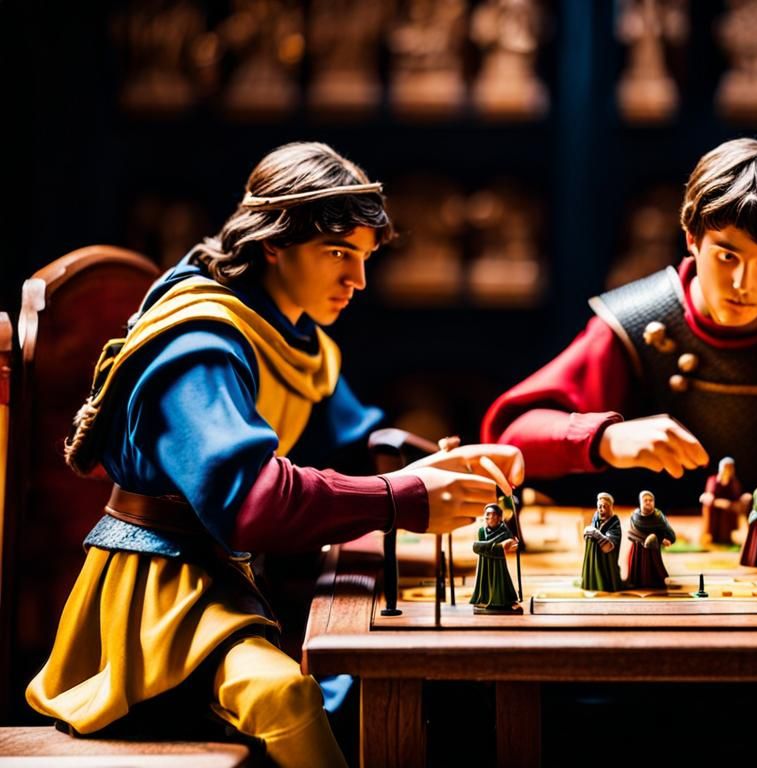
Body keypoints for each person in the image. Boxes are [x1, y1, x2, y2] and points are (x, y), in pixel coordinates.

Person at [26, 142, 524, 768]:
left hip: (243, 579)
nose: (358, 280)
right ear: (274, 243)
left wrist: (451, 464)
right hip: (163, 592)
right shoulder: (200, 345)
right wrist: (408, 498)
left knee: (372, 685)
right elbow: (251, 502)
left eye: (365, 258)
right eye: (339, 253)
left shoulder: (296, 336)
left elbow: (355, 446)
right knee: (286, 696)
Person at [481, 137, 757, 530]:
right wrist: (603, 439)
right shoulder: (636, 324)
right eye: (727, 256)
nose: (744, 284)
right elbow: (510, 439)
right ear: (692, 236)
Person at [471, 503, 521, 613]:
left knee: (501, 581)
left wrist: (513, 545)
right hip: (485, 563)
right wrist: (502, 546)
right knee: (485, 582)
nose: (490, 517)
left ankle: (502, 601)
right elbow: (480, 547)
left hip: (499, 564)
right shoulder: (481, 531)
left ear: (499, 517)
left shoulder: (504, 531)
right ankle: (485, 600)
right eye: (487, 514)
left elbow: (511, 542)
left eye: (493, 514)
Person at [625, 490, 676, 589]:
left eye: (650, 500)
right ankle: (635, 581)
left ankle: (655, 581)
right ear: (640, 502)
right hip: (638, 547)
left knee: (654, 567)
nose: (648, 502)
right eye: (645, 500)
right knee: (637, 565)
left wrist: (665, 539)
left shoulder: (658, 516)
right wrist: (645, 539)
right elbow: (631, 532)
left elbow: (668, 531)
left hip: (653, 549)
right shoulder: (635, 516)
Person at [699, 456, 749, 544]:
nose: (729, 469)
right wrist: (722, 503)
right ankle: (711, 536)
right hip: (715, 507)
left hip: (730, 507)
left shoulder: (734, 482)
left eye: (731, 467)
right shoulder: (713, 480)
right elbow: (709, 495)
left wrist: (742, 499)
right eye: (727, 467)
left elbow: (737, 496)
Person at [580, 492, 622, 592]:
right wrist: (587, 533)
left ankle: (603, 584)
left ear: (610, 507)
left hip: (606, 562)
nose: (601, 509)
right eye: (599, 506)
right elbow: (591, 532)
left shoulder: (614, 522)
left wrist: (597, 535)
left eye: (604, 506)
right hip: (593, 559)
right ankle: (590, 580)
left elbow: (611, 545)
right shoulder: (596, 517)